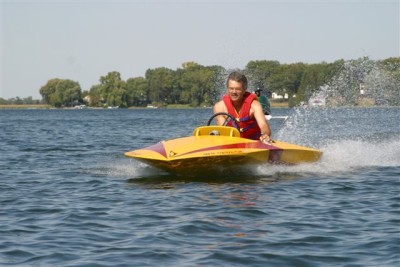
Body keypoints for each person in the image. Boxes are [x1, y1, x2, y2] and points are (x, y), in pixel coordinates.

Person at [213, 71, 271, 143]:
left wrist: (265, 135)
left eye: (237, 89)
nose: (234, 92)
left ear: (244, 90)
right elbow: (223, 132)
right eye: (231, 88)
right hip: (232, 144)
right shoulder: (219, 107)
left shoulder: (254, 106)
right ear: (227, 88)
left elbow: (263, 125)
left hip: (255, 144)